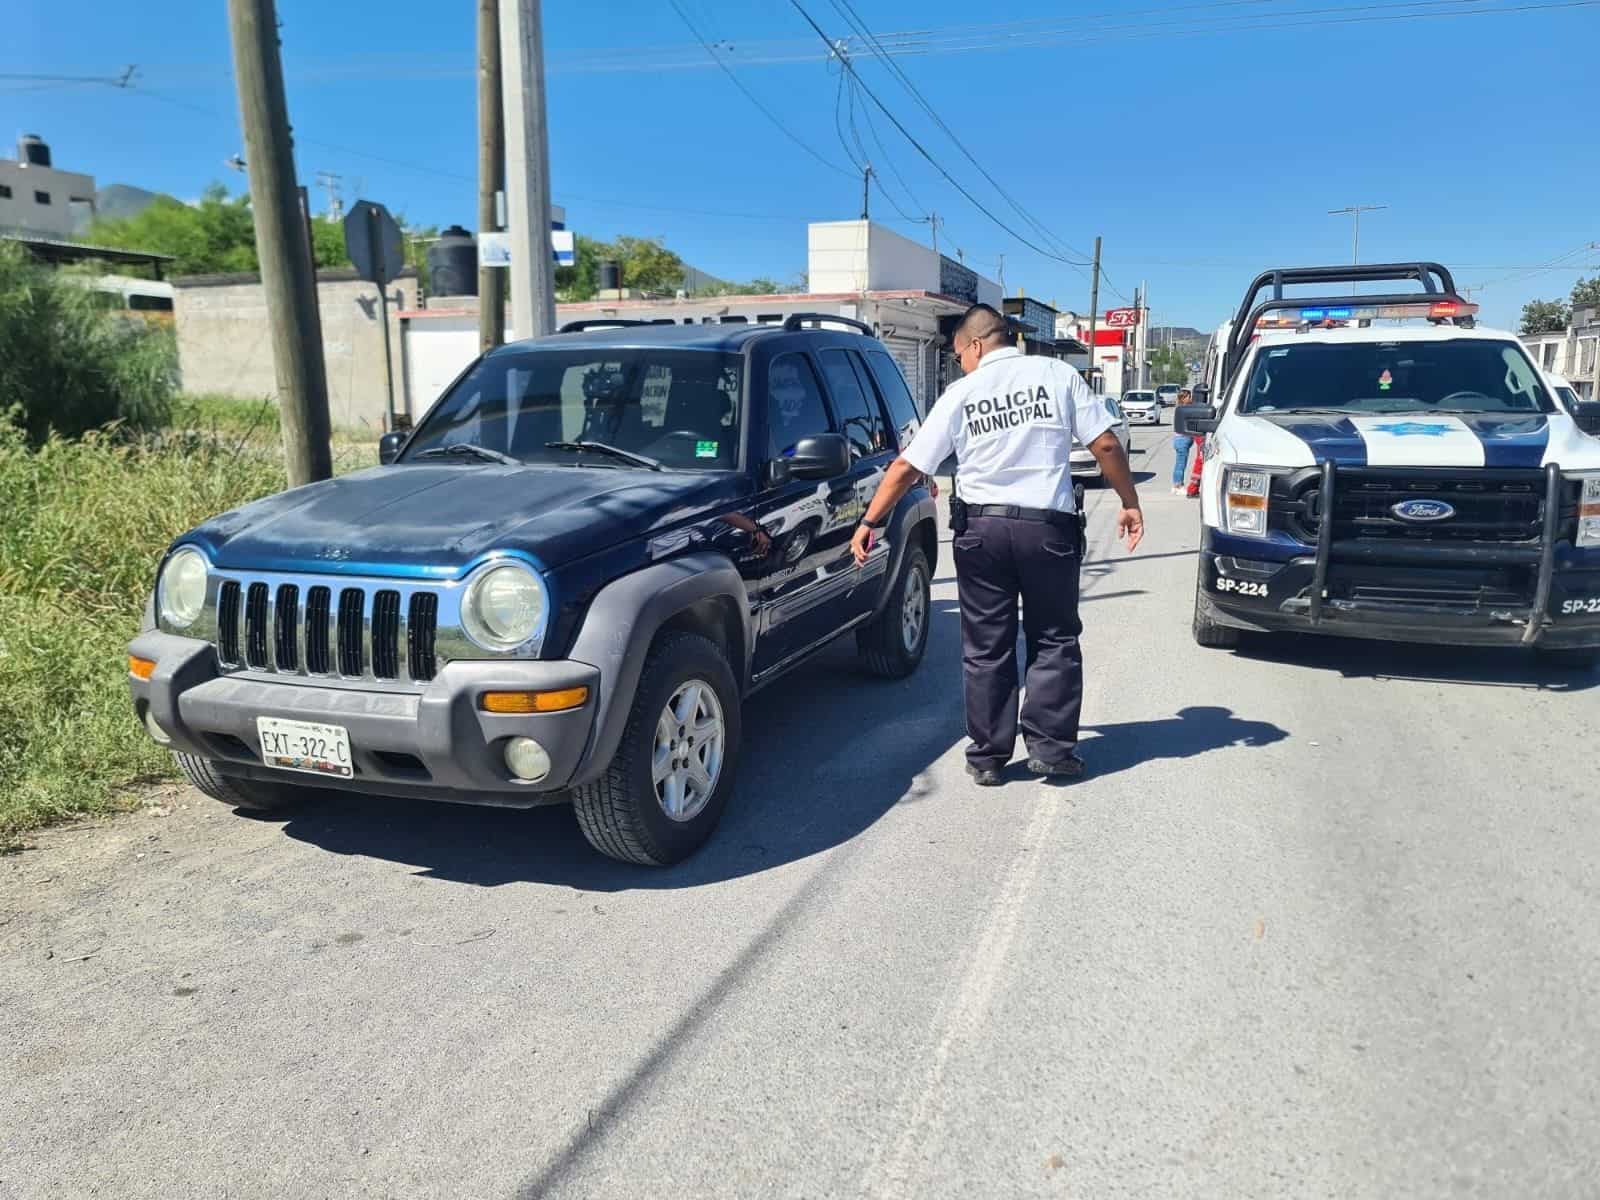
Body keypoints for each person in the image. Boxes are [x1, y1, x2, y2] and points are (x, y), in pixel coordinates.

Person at [850, 303, 1144, 787]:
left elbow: (907, 466)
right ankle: (1050, 751)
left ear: (978, 344)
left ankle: (987, 756)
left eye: (958, 352)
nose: (958, 360)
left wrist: (871, 520)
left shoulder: (962, 392)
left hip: (981, 534)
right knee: (1053, 637)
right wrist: (1129, 502)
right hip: (1047, 530)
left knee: (986, 645)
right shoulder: (1057, 374)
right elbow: (1106, 445)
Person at [1170, 387, 1194, 496]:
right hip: (1182, 439)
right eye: (1189, 397)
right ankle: (1178, 485)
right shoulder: (1184, 410)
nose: (1191, 399)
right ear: (1183, 398)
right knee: (1180, 464)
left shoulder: (1180, 409)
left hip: (1181, 439)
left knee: (1179, 464)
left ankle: (1177, 485)